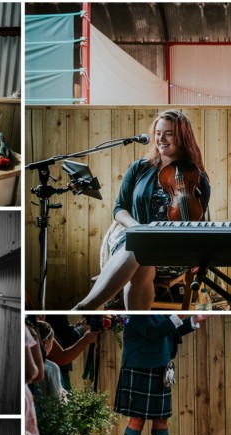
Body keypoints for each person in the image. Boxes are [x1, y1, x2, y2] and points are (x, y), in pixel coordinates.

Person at [73, 109, 211, 310]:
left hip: (174, 248)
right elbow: (120, 208)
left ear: (182, 137)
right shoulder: (140, 167)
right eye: (158, 132)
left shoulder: (195, 175)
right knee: (140, 253)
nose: (160, 139)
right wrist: (137, 227)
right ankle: (123, 318)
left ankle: (84, 307)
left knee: (138, 251)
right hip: (136, 238)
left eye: (169, 133)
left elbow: (198, 216)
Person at [117, 314, 208, 435]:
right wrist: (177, 316)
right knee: (137, 420)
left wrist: (194, 320)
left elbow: (171, 329)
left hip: (161, 367)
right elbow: (153, 332)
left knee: (162, 419)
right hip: (139, 367)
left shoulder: (159, 311)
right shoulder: (137, 309)